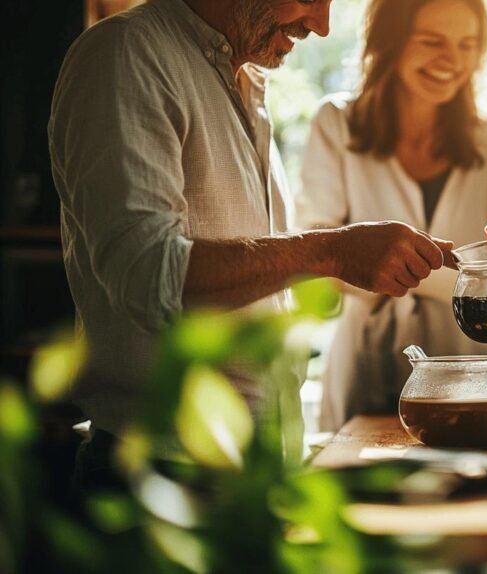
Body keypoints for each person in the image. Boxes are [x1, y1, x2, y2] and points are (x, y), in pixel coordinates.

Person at [48, 0, 455, 489]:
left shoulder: (243, 78)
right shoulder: (127, 54)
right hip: (163, 480)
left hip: (252, 469)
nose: (321, 26)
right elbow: (149, 273)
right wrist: (333, 252)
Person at [297, 0, 487, 430]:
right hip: (366, 372)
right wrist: (474, 279)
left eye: (467, 44)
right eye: (432, 41)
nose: (451, 61)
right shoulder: (336, 124)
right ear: (389, 41)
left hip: (480, 383)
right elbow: (316, 264)